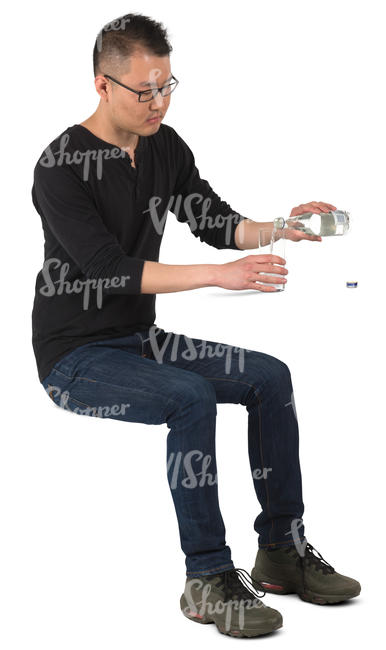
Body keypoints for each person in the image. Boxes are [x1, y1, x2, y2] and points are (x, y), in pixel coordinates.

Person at [31, 12, 360, 638]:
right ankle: (207, 578)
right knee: (190, 396)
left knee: (270, 377)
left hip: (139, 343)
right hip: (74, 359)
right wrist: (219, 277)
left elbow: (214, 219)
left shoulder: (164, 145)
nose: (159, 102)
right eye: (144, 91)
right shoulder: (60, 165)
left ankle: (282, 553)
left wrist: (280, 227)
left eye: (168, 86)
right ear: (102, 86)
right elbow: (106, 269)